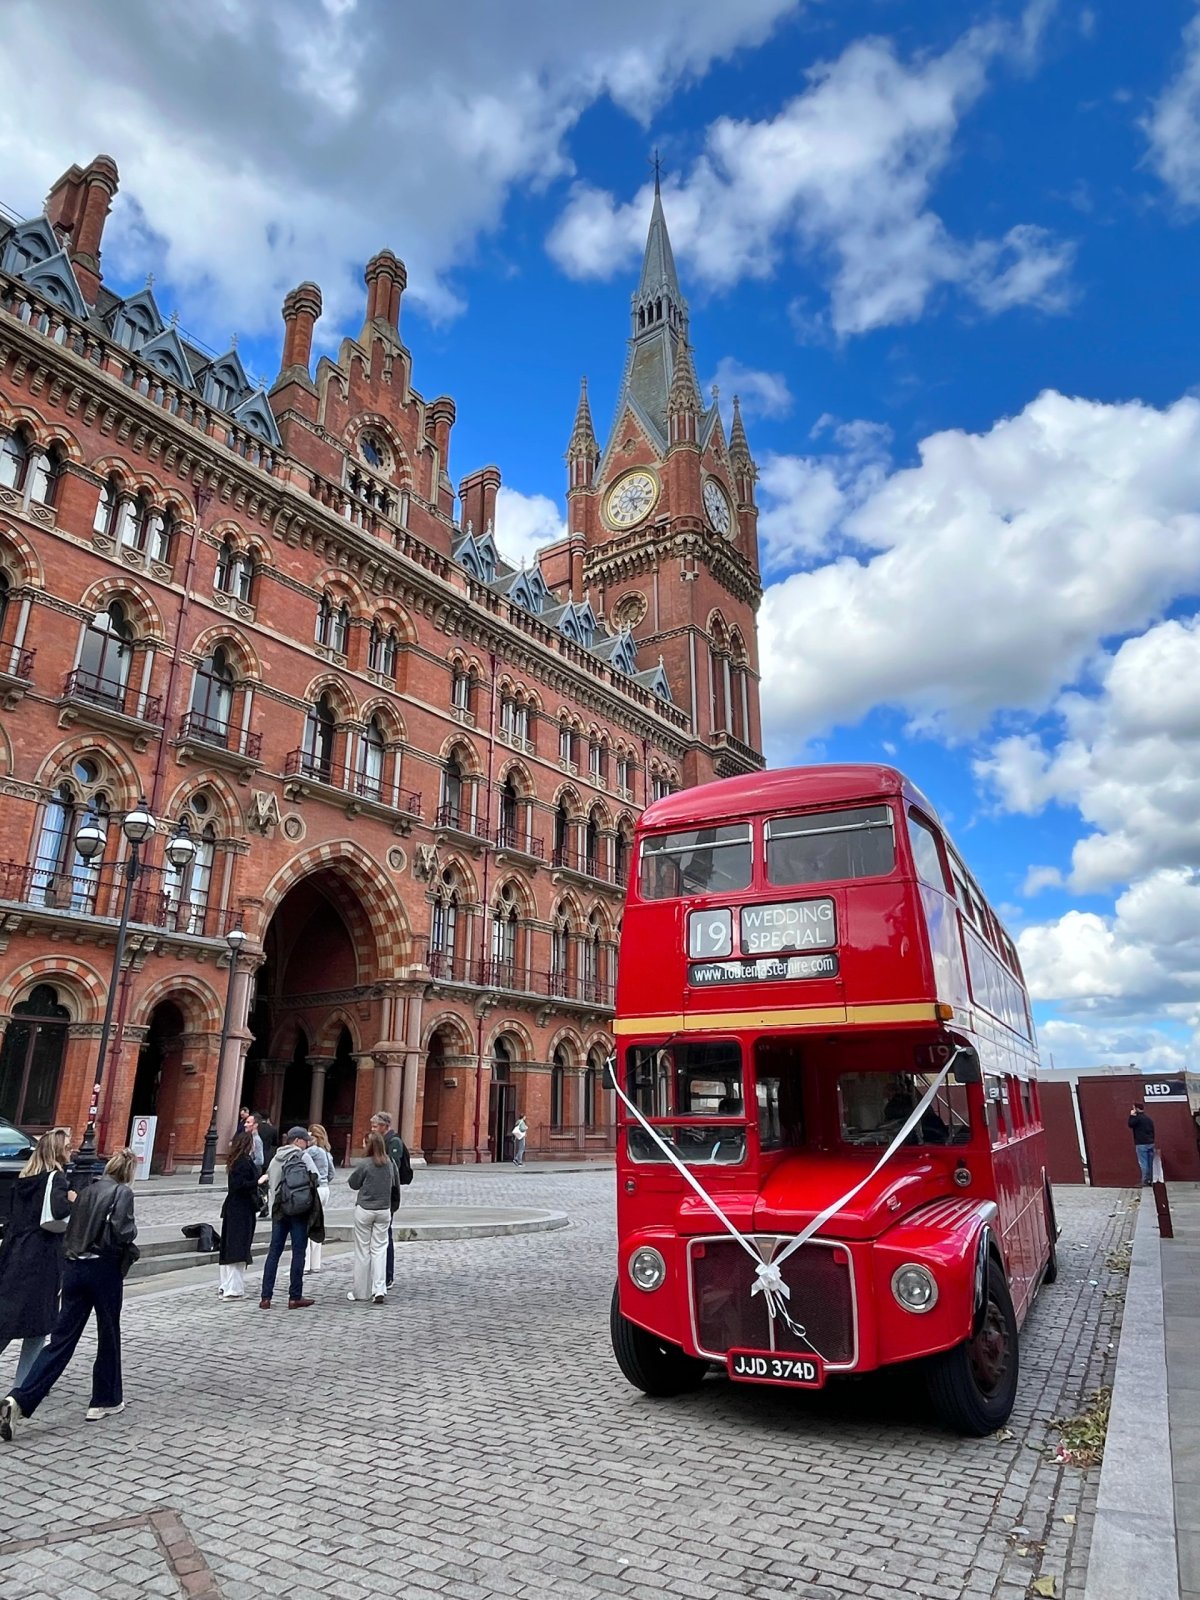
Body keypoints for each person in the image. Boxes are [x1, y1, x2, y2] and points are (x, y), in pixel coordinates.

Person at [0, 1148, 138, 1439]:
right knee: (108, 1334)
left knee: (61, 1342)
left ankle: (20, 1398)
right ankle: (104, 1399)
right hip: (104, 1268)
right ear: (127, 1172)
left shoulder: (87, 1190)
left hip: (75, 1268)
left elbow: (71, 1227)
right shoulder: (122, 1193)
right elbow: (122, 1231)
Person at [0, 1129, 73, 1385]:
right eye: (67, 1147)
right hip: (42, 1255)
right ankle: (22, 1387)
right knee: (39, 1324)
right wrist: (72, 1200)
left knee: (7, 1318)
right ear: (56, 1151)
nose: (71, 1151)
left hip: (14, 1251)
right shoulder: (56, 1178)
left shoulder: (23, 1179)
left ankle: (24, 1386)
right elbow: (56, 1217)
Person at [258, 1127, 323, 1310]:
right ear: (296, 1141)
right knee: (298, 1252)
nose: (307, 1143)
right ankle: (295, 1296)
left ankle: (266, 1297)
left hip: (279, 1209)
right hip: (297, 1209)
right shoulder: (303, 1156)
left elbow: (271, 1183)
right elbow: (315, 1178)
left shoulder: (275, 1158)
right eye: (305, 1140)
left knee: (274, 1252)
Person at [347, 1133, 399, 1304]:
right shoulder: (390, 1163)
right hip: (384, 1210)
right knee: (379, 1250)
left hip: (365, 1209)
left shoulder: (365, 1164)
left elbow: (353, 1183)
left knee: (363, 1251)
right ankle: (379, 1288)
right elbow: (395, 1186)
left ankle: (361, 1292)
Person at [369, 1111, 410, 1289]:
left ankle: (387, 1275)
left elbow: (392, 1167)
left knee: (386, 1235)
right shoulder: (381, 1141)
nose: (373, 1129)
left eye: (375, 1126)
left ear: (385, 1126)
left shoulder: (394, 1142)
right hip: (379, 1193)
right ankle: (379, 1273)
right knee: (381, 1235)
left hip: (388, 1193)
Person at [217, 1132, 258, 1300]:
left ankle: (226, 1284)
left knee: (230, 1245)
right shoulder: (242, 1162)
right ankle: (233, 1288)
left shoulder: (236, 1160)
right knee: (237, 1246)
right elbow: (239, 1185)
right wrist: (259, 1181)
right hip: (241, 1208)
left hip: (235, 1207)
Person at [305, 1124, 335, 1273]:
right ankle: (315, 1263)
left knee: (306, 1225)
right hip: (325, 1189)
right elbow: (331, 1173)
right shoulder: (326, 1152)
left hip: (314, 1188)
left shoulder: (311, 1151)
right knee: (317, 1225)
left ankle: (304, 1264)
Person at [1128, 1102, 1157, 1186]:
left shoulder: (1137, 1119)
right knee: (1150, 1162)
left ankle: (1144, 1181)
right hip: (1150, 1143)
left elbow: (1130, 1124)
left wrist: (1131, 1115)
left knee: (1143, 1163)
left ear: (1136, 1109)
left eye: (1133, 1108)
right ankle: (1151, 1180)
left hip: (1141, 1143)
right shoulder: (1148, 1119)